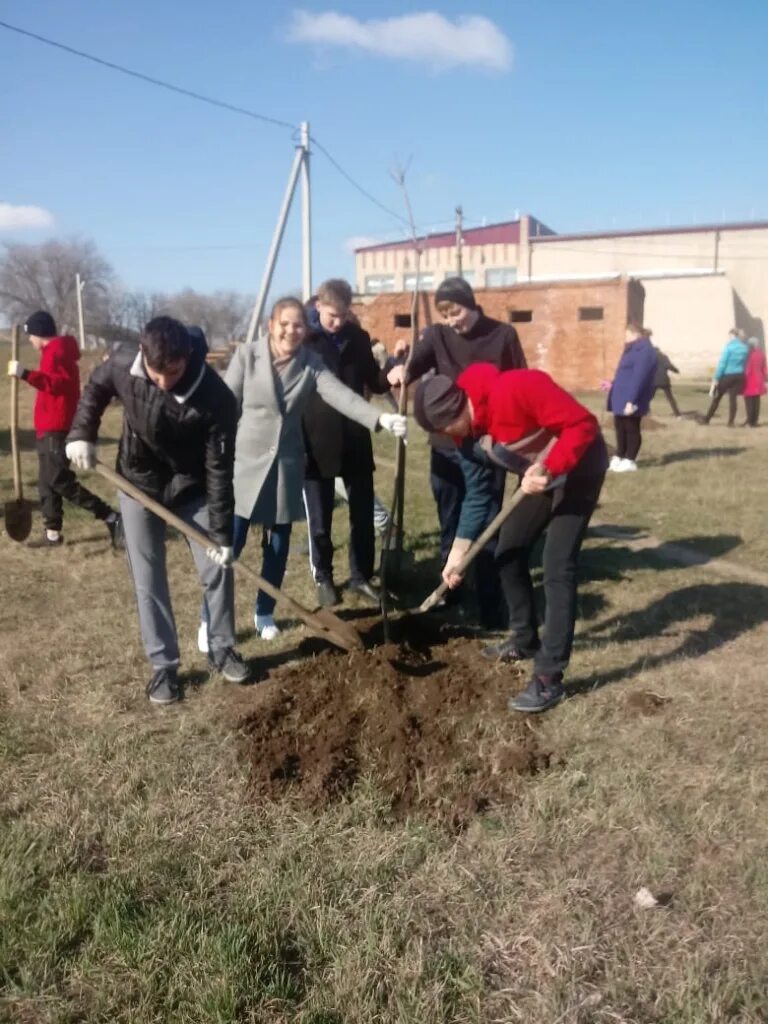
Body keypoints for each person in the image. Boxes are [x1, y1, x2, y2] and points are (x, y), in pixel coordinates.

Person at [198, 297, 405, 646]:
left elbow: (341, 395)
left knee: (277, 546)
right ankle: (211, 618)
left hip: (287, 464)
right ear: (271, 324)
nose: (291, 331)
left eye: (298, 325)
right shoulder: (247, 356)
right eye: (285, 324)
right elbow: (223, 406)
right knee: (227, 544)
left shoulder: (311, 364)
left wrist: (379, 419)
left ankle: (265, 612)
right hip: (245, 466)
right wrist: (211, 453)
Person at [65, 316, 248, 706]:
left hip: (193, 487)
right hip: (138, 482)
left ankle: (222, 648)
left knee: (217, 566)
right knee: (147, 575)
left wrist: (221, 534)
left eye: (175, 371)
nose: (165, 381)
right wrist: (82, 433)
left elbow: (219, 469)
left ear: (188, 357)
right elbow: (96, 388)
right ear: (143, 355)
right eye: (157, 372)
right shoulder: (123, 363)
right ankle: (164, 667)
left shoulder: (216, 397)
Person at [413, 363, 608, 713]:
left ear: (456, 409)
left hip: (579, 466)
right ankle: (524, 638)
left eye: (445, 428)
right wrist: (458, 553)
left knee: (556, 565)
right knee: (508, 552)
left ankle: (549, 677)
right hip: (539, 477)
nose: (448, 437)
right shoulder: (464, 436)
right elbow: (479, 493)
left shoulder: (518, 388)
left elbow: (584, 424)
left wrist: (550, 467)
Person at [387, 277, 527, 629]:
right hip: (447, 446)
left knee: (487, 522)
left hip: (487, 444)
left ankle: (490, 605)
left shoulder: (503, 335)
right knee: (451, 520)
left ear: (472, 303)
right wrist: (400, 370)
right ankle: (450, 593)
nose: (452, 321)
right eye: (445, 314)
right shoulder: (436, 335)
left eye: (457, 311)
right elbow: (414, 367)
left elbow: (519, 381)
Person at [302, 279, 399, 607]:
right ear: (318, 306)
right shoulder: (305, 340)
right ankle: (324, 577)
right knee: (321, 514)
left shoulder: (357, 339)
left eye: (344, 315)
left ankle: (361, 576)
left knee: (361, 511)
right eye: (332, 315)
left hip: (355, 435)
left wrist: (393, 373)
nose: (338, 322)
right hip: (314, 438)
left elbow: (374, 380)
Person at [6, 310, 122, 547]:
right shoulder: (53, 352)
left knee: (59, 481)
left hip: (56, 427)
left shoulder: (56, 353)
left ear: (39, 333)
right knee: (46, 482)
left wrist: (25, 374)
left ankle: (111, 516)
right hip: (47, 426)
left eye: (31, 335)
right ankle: (52, 535)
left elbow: (57, 384)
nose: (29, 340)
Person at [606, 323, 657, 472]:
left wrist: (631, 400)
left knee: (631, 427)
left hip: (632, 396)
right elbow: (625, 373)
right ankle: (620, 456)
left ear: (636, 334)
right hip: (620, 395)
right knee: (619, 426)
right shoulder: (630, 350)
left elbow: (639, 377)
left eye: (627, 334)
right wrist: (612, 384)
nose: (625, 338)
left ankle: (630, 460)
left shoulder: (645, 351)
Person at [701, 328, 750, 426]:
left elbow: (722, 364)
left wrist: (716, 377)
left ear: (732, 336)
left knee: (717, 397)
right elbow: (745, 363)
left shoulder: (729, 347)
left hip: (728, 375)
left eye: (729, 336)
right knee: (733, 399)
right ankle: (730, 422)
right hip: (739, 375)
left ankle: (707, 419)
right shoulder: (745, 348)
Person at [649, 335, 681, 417]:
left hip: (654, 381)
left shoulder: (650, 357)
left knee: (648, 397)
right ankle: (677, 413)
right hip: (664, 380)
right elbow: (669, 366)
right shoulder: (664, 356)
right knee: (670, 398)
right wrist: (676, 370)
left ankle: (646, 412)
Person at [742, 337, 767, 427]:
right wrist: (764, 379)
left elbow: (748, 369)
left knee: (749, 401)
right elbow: (764, 368)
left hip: (750, 380)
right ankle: (755, 421)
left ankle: (749, 421)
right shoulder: (761, 354)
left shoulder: (750, 354)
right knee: (756, 401)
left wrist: (743, 378)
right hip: (759, 380)